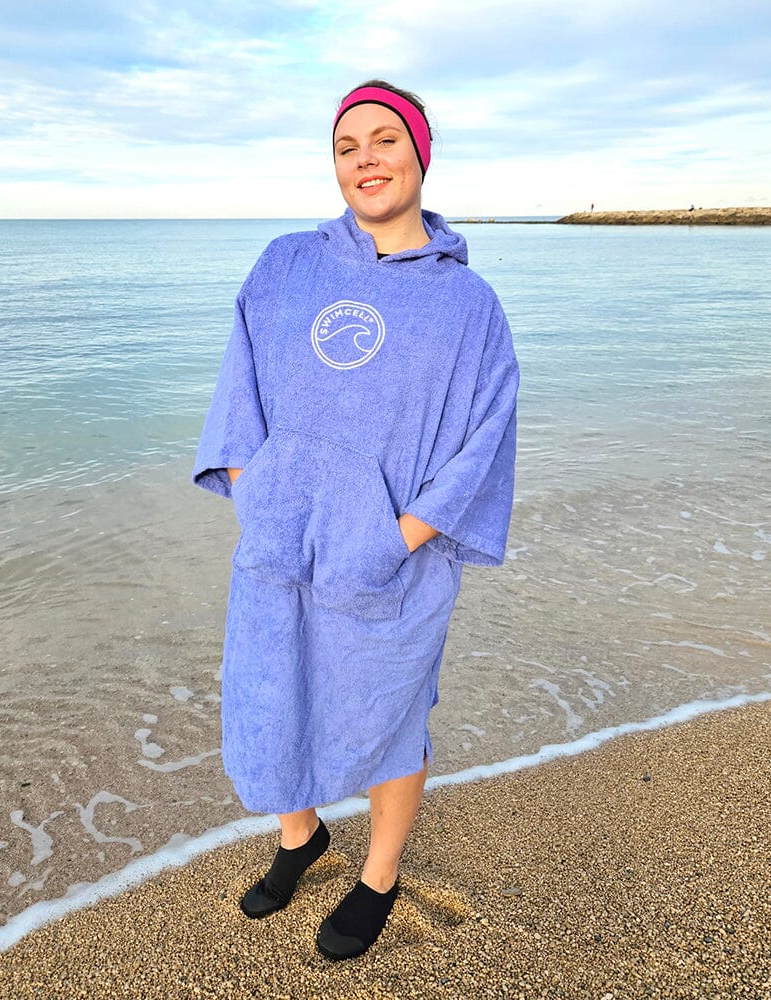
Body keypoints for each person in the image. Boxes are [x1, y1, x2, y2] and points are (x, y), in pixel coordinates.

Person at [192, 80, 519, 960]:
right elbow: (239, 385)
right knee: (267, 688)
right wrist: (251, 488)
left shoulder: (468, 307)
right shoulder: (285, 264)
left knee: (389, 712)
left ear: (420, 154)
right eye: (346, 146)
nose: (365, 158)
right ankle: (302, 837)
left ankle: (380, 876)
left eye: (384, 140)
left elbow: (483, 440)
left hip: (392, 560)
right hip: (280, 541)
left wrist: (394, 538)